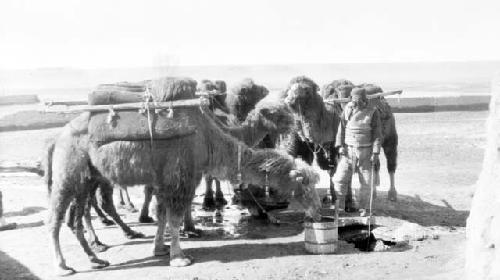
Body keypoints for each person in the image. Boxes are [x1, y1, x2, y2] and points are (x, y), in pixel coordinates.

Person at [334, 87, 382, 213]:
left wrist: (376, 152)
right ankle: (339, 208)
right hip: (348, 152)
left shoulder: (373, 112)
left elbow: (377, 134)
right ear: (351, 99)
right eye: (355, 99)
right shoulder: (347, 110)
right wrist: (340, 146)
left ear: (365, 99)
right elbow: (341, 130)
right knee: (339, 179)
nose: (357, 102)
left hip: (365, 153)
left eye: (360, 100)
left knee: (366, 183)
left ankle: (363, 208)